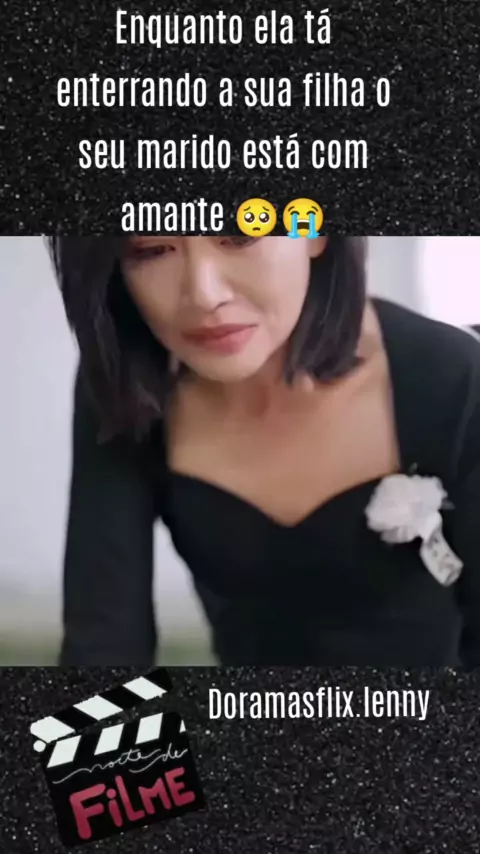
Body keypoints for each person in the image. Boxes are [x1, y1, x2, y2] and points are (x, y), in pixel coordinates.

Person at [50, 236, 480, 667]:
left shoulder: (455, 379)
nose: (203, 294)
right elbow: (104, 651)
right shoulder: (130, 388)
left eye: (240, 236)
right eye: (152, 250)